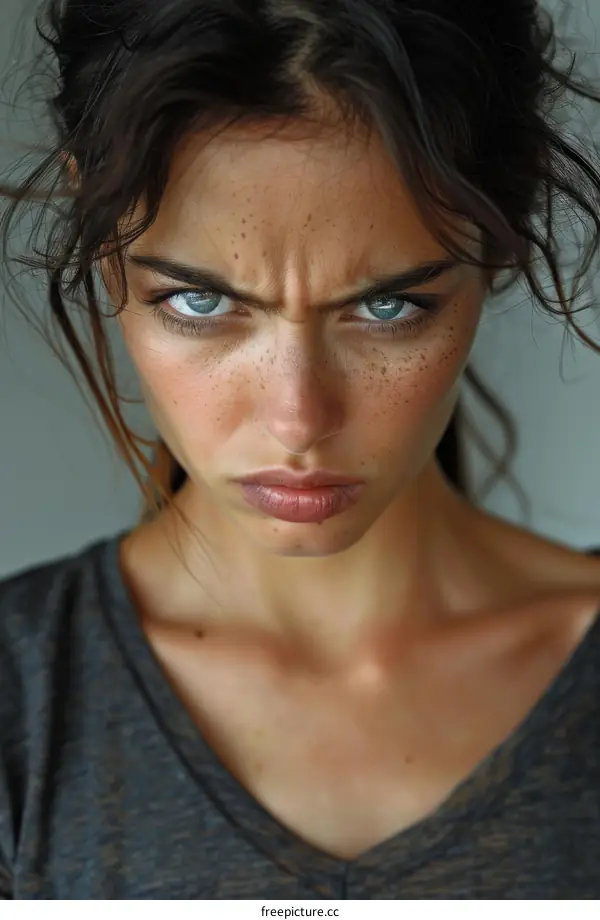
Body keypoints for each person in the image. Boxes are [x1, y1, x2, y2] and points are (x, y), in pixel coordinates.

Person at [1, 0, 600, 901]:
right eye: (201, 303)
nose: (297, 420)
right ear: (103, 247)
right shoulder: (19, 708)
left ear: (500, 228)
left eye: (388, 307)